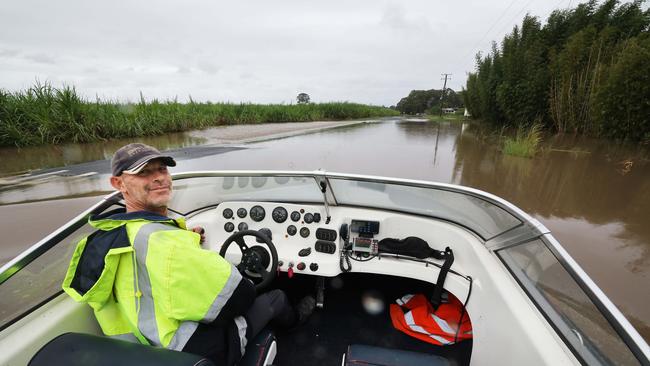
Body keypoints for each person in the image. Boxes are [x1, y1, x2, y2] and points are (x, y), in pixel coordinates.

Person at [62, 143, 314, 365]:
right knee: (277, 297)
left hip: (140, 350)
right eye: (144, 173)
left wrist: (187, 237)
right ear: (118, 183)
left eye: (162, 169)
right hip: (192, 351)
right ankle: (297, 323)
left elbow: (149, 271)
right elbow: (240, 297)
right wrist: (240, 275)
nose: (158, 178)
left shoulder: (107, 236)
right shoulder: (165, 243)